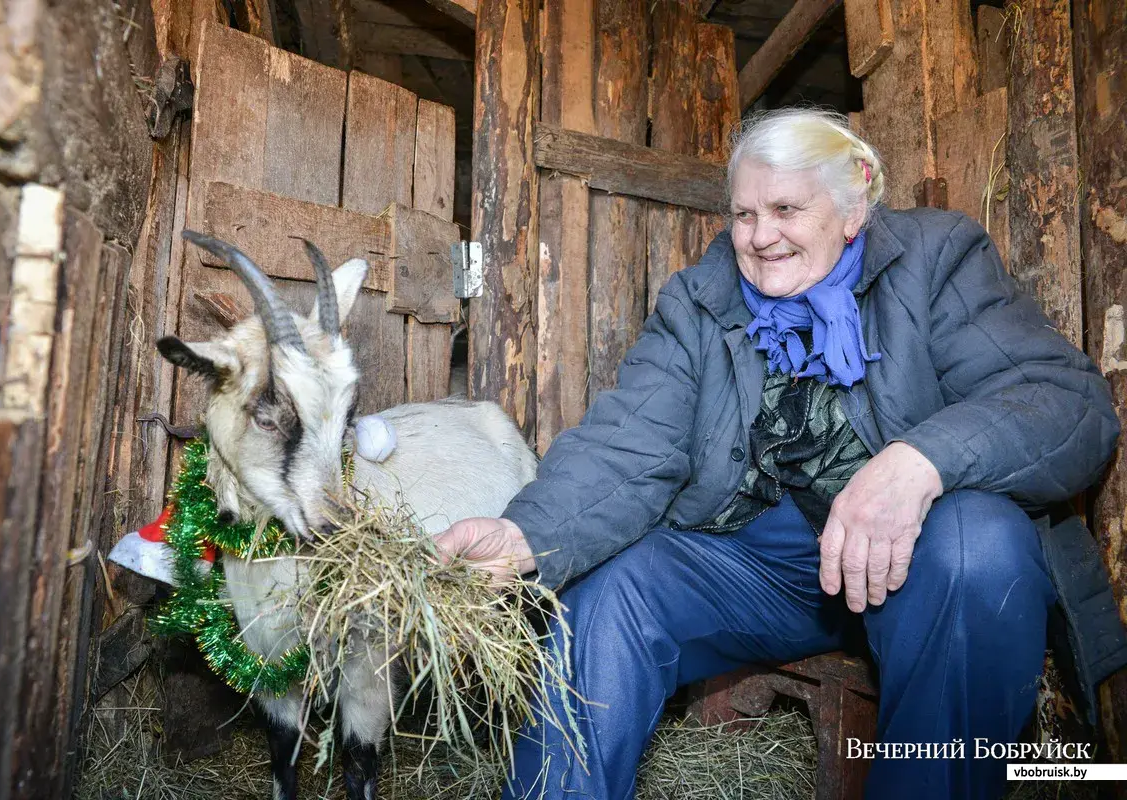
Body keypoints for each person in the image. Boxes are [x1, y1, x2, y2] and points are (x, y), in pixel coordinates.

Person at [434, 108, 1122, 799]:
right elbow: (629, 441)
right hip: (764, 565)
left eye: (785, 208)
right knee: (609, 593)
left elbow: (1066, 403)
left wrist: (919, 461)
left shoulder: (935, 261)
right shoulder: (702, 301)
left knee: (980, 546)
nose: (760, 237)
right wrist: (525, 532)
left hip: (918, 561)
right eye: (742, 215)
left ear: (852, 206)